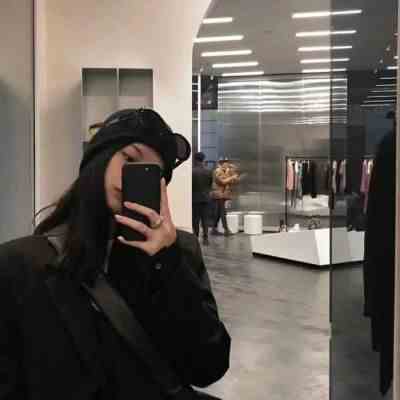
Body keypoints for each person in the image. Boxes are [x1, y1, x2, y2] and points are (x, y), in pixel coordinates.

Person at [0, 108, 231, 399]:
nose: (132, 179)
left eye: (152, 173)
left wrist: (169, 264)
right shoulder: (19, 264)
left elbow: (208, 367)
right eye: (130, 160)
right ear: (99, 158)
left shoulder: (179, 252)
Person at [211, 161, 240, 236]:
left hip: (223, 195)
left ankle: (213, 229)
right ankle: (226, 230)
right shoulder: (218, 171)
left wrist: (233, 172)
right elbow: (222, 182)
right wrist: (232, 177)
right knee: (222, 212)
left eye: (227, 164)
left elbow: (234, 181)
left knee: (218, 213)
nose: (227, 166)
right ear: (221, 164)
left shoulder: (226, 172)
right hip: (218, 194)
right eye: (225, 164)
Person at [192, 152, 213, 245]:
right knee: (205, 219)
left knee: (195, 219)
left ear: (195, 159)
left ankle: (196, 238)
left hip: (195, 199)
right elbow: (210, 184)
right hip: (206, 198)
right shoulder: (209, 171)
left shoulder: (192, 172)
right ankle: (205, 239)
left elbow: (191, 186)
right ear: (203, 159)